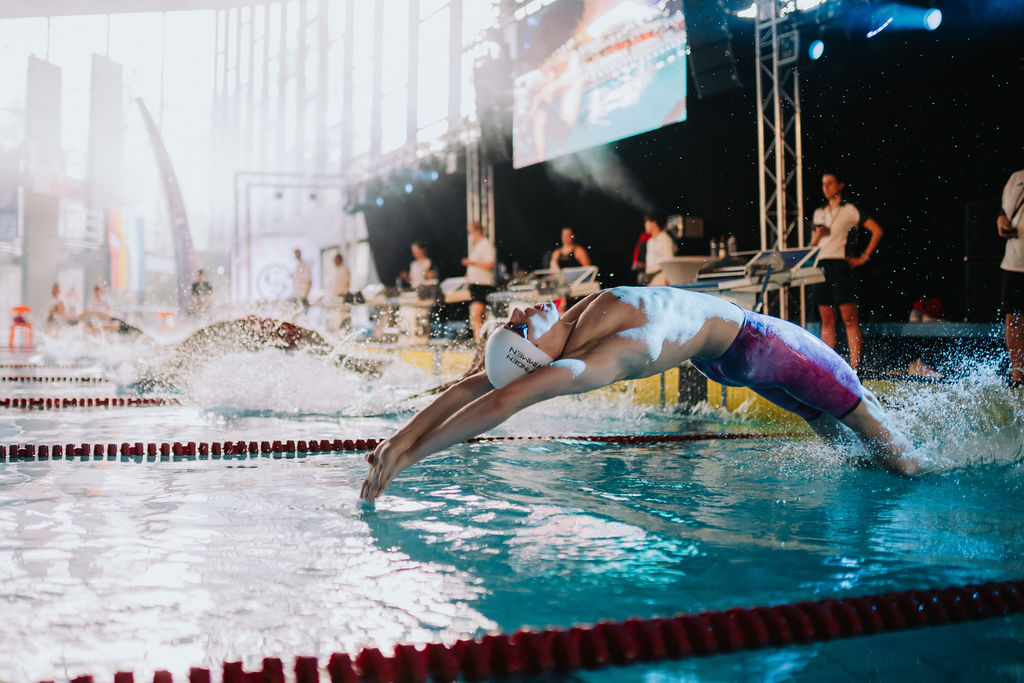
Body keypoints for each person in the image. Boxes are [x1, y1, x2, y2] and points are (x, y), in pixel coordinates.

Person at [361, 286, 919, 501]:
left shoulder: (571, 326)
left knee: (832, 429)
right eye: (519, 324)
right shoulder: (593, 358)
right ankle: (922, 475)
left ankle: (876, 475)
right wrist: (412, 459)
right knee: (867, 415)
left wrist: (398, 440)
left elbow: (478, 383)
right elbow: (502, 401)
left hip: (728, 359)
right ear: (534, 355)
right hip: (762, 343)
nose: (523, 309)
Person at [809, 171, 883, 373]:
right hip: (821, 265)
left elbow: (877, 230)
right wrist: (818, 235)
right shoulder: (819, 212)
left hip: (841, 265)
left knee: (849, 318)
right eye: (823, 184)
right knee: (827, 320)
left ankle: (855, 367)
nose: (826, 188)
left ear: (840, 185)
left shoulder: (849, 209)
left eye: (830, 183)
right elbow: (812, 244)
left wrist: (864, 256)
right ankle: (827, 367)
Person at [997, 168, 1024, 387]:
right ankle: (1018, 373)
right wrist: (1002, 222)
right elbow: (1003, 213)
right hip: (1015, 262)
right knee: (1014, 319)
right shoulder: (1016, 177)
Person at [462, 221, 496, 341]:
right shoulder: (477, 246)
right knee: (477, 317)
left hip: (482, 284)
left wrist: (471, 263)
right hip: (476, 284)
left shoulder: (485, 245)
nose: (469, 235)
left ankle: (479, 343)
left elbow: (490, 265)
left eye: (470, 232)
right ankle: (480, 342)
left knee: (476, 315)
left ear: (477, 231)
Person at [643, 212, 676, 286]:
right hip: (650, 279)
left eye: (647, 222)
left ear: (654, 223)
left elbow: (669, 261)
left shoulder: (665, 239)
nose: (645, 225)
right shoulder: (649, 242)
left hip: (660, 279)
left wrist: (666, 280)